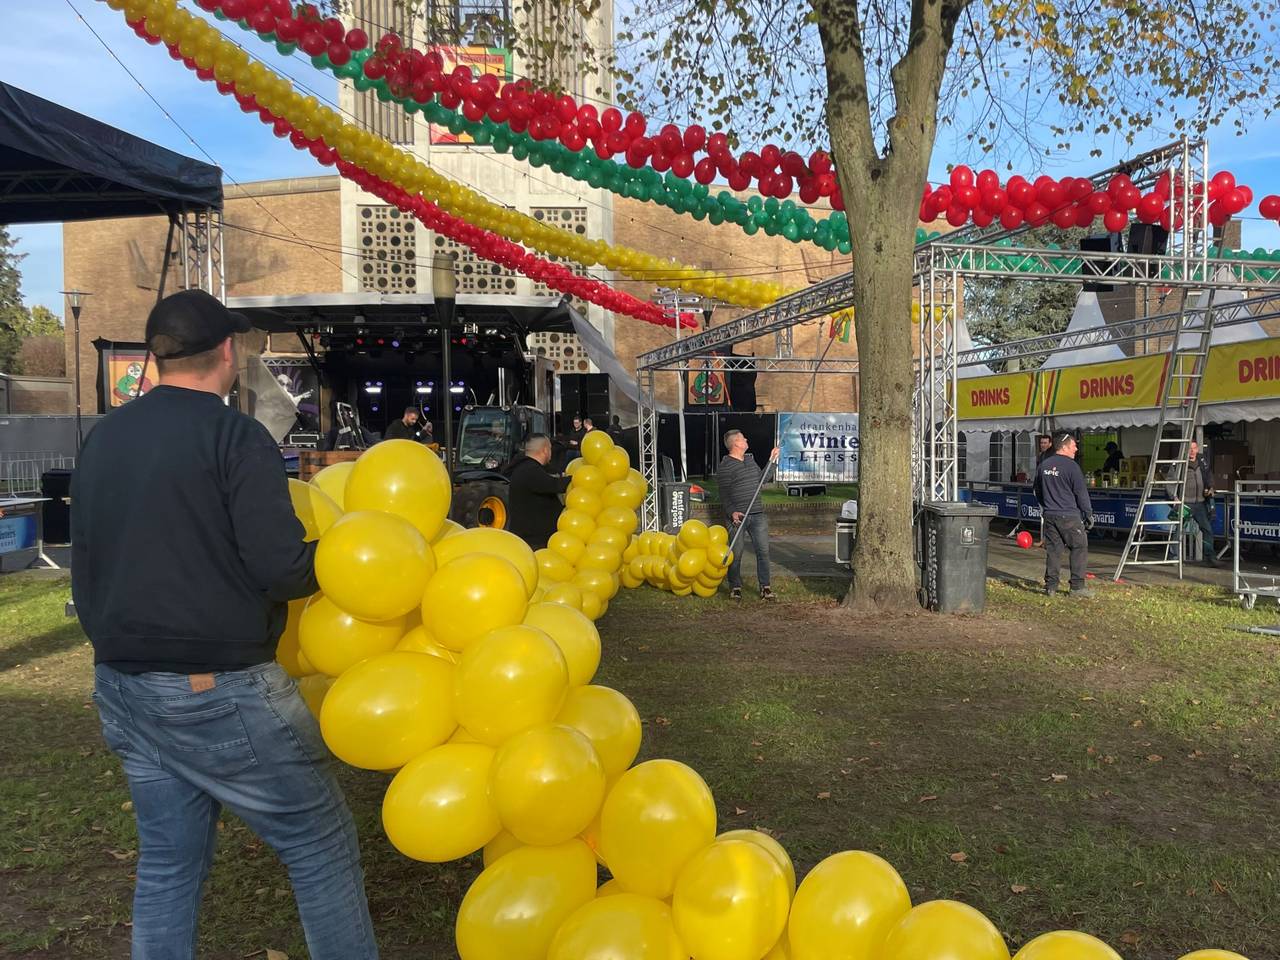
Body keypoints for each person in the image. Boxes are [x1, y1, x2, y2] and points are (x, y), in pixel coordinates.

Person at [70, 289, 379, 960]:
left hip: (122, 684)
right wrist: (351, 558)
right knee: (319, 841)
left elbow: (85, 560)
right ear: (227, 353)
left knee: (168, 863)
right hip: (219, 688)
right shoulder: (236, 436)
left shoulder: (105, 437)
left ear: (156, 358)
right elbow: (282, 569)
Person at [717, 429, 779, 601]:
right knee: (736, 554)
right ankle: (735, 587)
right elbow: (724, 494)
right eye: (743, 438)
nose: (746, 439)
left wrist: (772, 460)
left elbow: (762, 480)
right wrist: (732, 512)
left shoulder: (750, 460)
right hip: (738, 517)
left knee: (763, 552)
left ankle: (765, 587)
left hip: (757, 514)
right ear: (736, 443)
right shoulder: (725, 466)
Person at [1034, 430, 1095, 597]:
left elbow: (1037, 490)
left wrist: (1046, 505)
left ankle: (1051, 587)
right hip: (1069, 515)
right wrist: (1088, 513)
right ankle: (1077, 587)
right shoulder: (1072, 467)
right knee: (1079, 547)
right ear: (1065, 447)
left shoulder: (1044, 465)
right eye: (1074, 446)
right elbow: (1081, 493)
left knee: (1054, 551)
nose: (1076, 449)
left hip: (1050, 515)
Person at [506, 433, 570, 549]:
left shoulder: (524, 468)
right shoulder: (530, 470)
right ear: (545, 450)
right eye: (550, 448)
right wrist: (577, 478)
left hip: (531, 537)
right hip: (534, 541)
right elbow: (554, 485)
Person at [1180, 439, 1217, 566]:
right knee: (1178, 530)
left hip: (1200, 502)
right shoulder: (1179, 462)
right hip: (1185, 502)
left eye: (1194, 448)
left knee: (1207, 530)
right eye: (1189, 448)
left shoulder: (1202, 461)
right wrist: (1175, 497)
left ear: (1197, 449)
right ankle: (1174, 556)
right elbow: (1171, 481)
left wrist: (1210, 488)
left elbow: (1209, 476)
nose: (1192, 451)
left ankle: (1210, 557)